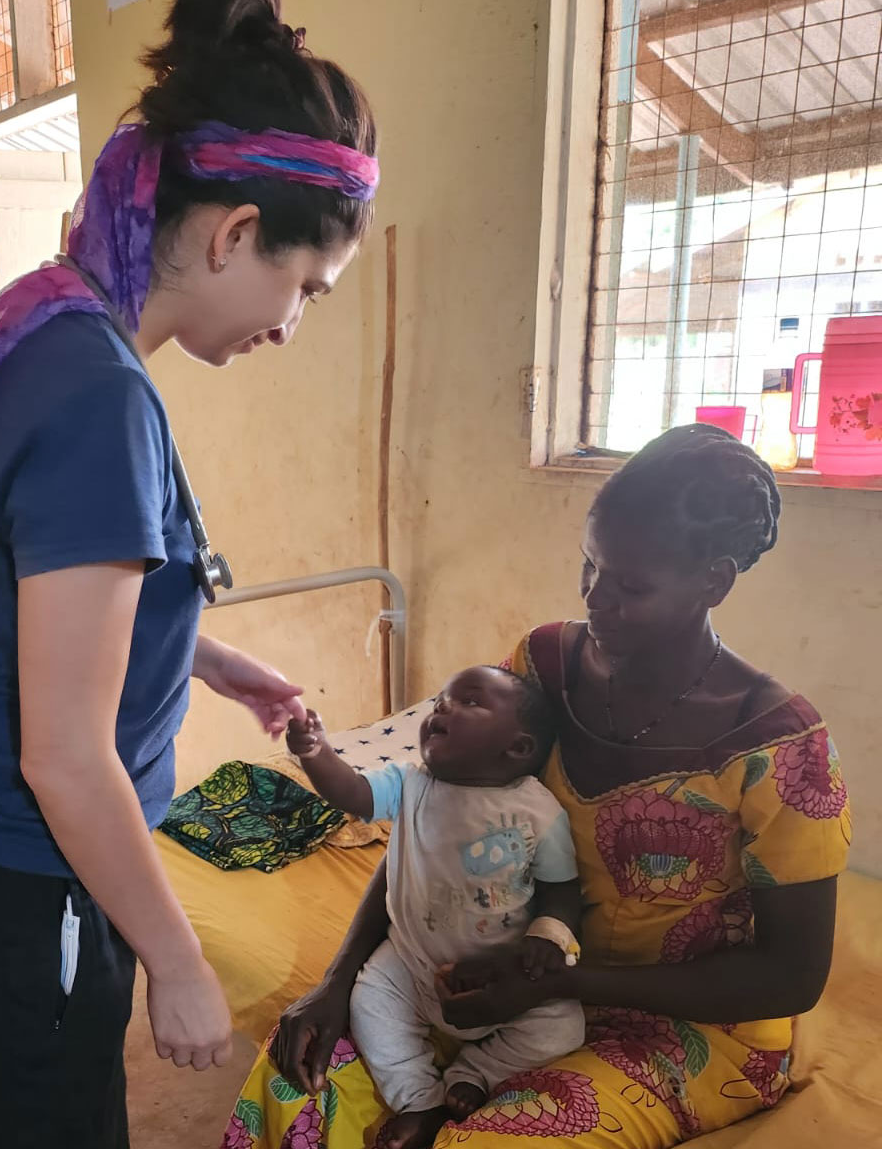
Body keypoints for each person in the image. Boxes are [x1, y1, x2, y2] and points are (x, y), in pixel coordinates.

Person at [0, 0, 378, 1149]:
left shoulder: (50, 314)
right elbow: (67, 758)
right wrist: (176, 962)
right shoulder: (100, 399)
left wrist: (203, 657)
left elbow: (30, 590)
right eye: (306, 288)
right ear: (236, 233)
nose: (291, 325)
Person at [229, 425, 851, 1149]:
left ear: (713, 581)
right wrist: (339, 978)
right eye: (589, 567)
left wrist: (560, 985)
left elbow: (792, 977)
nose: (596, 601)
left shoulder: (779, 749)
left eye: (630, 586)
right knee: (292, 1080)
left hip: (683, 1024)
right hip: (502, 975)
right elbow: (432, 821)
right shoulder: (544, 664)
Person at [285, 665, 584, 1149]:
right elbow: (352, 792)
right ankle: (420, 1099)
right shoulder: (410, 785)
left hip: (497, 971)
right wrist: (316, 752)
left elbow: (562, 890)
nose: (442, 707)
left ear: (519, 748)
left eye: (468, 701)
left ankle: (477, 1071)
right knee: (370, 1000)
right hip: (410, 957)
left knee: (564, 1027)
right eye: (441, 700)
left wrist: (546, 935)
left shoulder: (538, 812)